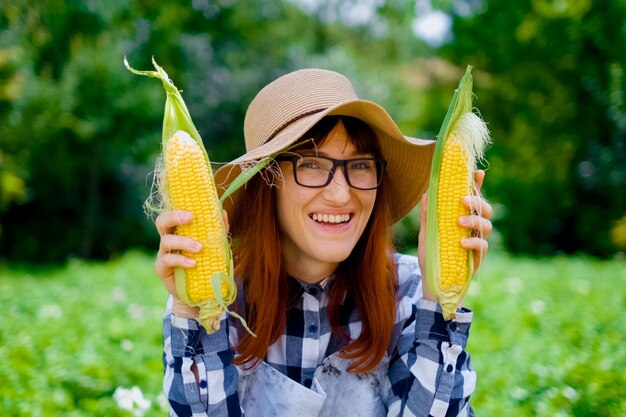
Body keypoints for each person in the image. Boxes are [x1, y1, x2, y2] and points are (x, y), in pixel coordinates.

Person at [154, 68, 492, 417]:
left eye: (360, 165)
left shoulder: (410, 292)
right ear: (265, 185)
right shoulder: (220, 297)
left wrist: (441, 302)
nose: (340, 193)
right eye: (311, 164)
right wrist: (193, 313)